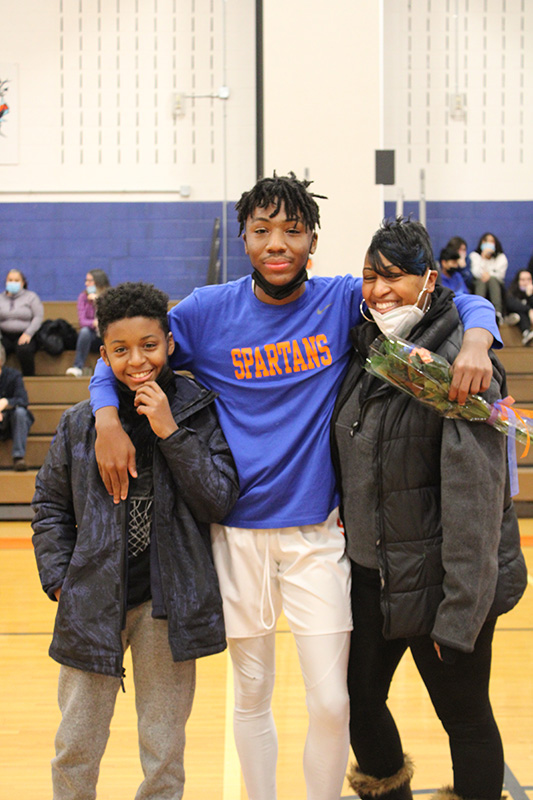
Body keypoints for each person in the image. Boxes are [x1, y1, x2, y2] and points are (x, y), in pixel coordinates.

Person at [89, 174, 500, 800]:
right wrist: (105, 417)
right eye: (261, 231)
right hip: (236, 533)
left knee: (334, 701)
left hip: (317, 532)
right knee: (251, 694)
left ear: (313, 239)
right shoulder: (205, 310)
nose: (276, 243)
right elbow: (121, 346)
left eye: (292, 231)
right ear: (244, 239)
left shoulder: (343, 299)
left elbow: (453, 301)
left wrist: (477, 339)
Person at [331, 217, 527, 800]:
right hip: (377, 575)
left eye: (394, 277)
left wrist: (461, 611)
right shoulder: (368, 344)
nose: (379, 290)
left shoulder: (463, 368)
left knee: (465, 719)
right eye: (370, 277)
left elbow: (478, 502)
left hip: (446, 583)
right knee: (356, 700)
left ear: (428, 280)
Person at [32, 282, 239, 800]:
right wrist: (61, 580)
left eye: (149, 345)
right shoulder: (82, 423)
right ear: (103, 355)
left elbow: (218, 499)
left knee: (164, 750)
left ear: (169, 343)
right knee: (75, 745)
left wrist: (170, 432)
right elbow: (50, 507)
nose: (137, 360)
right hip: (92, 602)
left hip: (167, 606)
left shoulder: (197, 410)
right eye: (120, 350)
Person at [66, 268, 110, 377]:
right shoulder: (83, 297)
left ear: (99, 281)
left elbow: (111, 318)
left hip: (106, 335)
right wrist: (94, 323)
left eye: (90, 281)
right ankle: (77, 367)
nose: (87, 283)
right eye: (86, 280)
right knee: (84, 332)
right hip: (92, 337)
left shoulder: (109, 296)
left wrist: (98, 302)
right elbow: (82, 321)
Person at [0, 268, 44, 375]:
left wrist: (28, 334)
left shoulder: (31, 297)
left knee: (24, 350)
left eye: (16, 280)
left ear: (23, 282)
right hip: (4, 336)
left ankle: (29, 378)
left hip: (25, 334)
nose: (13, 283)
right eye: (10, 280)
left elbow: (38, 316)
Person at [0, 343, 34, 470]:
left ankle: (18, 457)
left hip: (10, 420)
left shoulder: (13, 375)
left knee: (21, 413)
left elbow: (23, 400)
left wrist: (6, 403)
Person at [469, 232, 510, 324]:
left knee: (492, 279)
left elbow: (500, 275)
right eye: (486, 241)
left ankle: (497, 313)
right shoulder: (474, 256)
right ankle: (478, 311)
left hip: (496, 285)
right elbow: (476, 273)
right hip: (479, 283)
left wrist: (489, 274)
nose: (488, 243)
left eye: (491, 241)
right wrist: (483, 258)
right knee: (481, 281)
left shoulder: (501, 257)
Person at [506, 269, 533, 345]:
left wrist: (530, 296)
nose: (526, 282)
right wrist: (529, 310)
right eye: (523, 280)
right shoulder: (512, 292)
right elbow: (511, 304)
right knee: (520, 313)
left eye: (529, 279)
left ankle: (526, 333)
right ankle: (526, 333)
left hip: (528, 319)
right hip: (513, 315)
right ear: (518, 281)